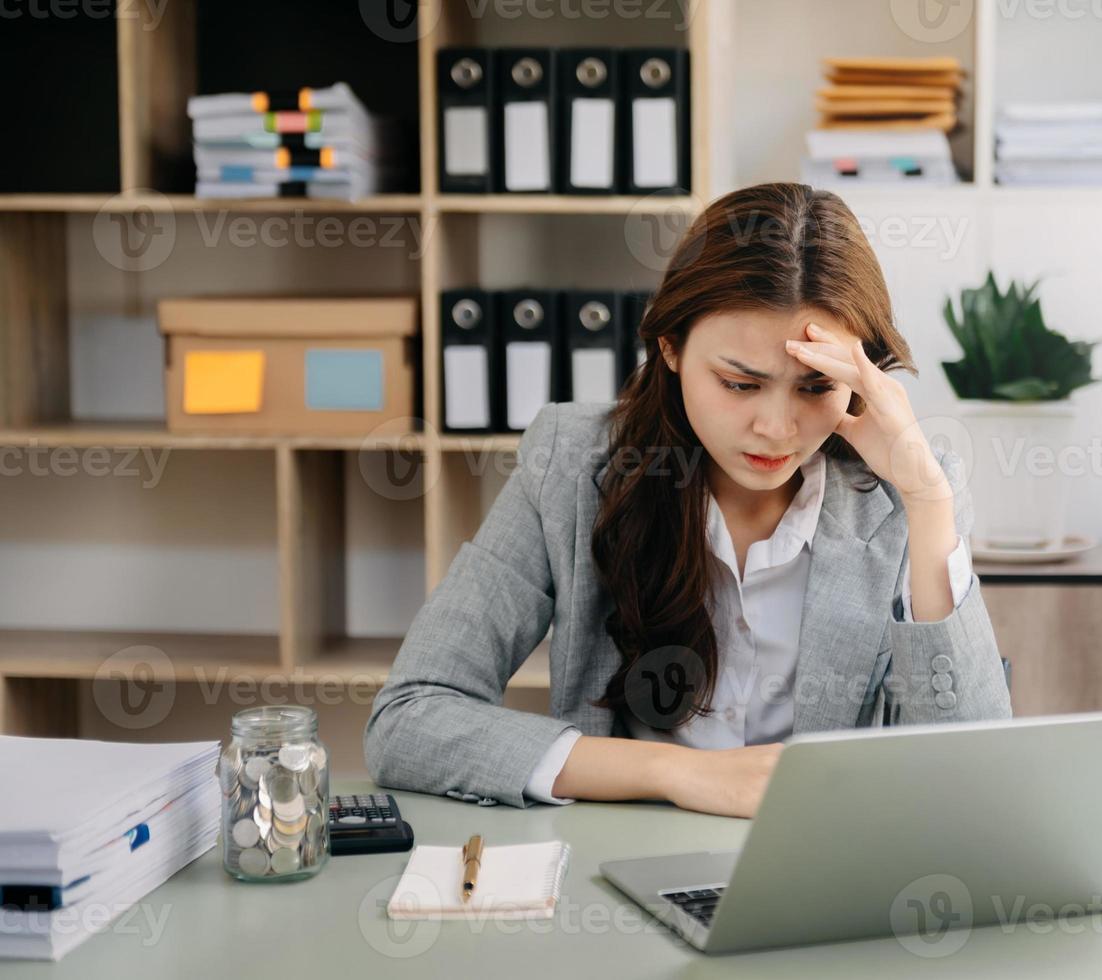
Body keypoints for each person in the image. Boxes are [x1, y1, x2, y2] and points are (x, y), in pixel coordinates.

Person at [364, 182, 1011, 818]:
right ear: (669, 347)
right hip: (619, 867)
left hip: (827, 871)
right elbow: (409, 717)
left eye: (816, 386)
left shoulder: (907, 493)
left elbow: (975, 771)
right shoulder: (570, 463)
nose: (776, 427)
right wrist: (680, 774)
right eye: (738, 383)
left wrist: (926, 498)